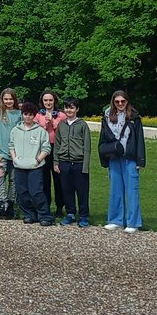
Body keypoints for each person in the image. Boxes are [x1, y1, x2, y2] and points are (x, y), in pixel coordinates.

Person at [99, 90, 144, 233]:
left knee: (132, 191)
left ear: (127, 102)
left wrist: (140, 160)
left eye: (122, 101)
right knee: (115, 190)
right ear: (113, 102)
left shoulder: (134, 117)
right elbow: (103, 139)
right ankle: (115, 220)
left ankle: (133, 222)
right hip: (114, 157)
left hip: (130, 157)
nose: (120, 104)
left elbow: (139, 140)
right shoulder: (106, 117)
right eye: (117, 101)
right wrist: (104, 159)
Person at [11, 101, 53, 226]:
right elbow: (11, 145)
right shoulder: (15, 130)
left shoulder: (40, 131)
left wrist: (38, 159)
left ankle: (44, 215)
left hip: (35, 166)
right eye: (25, 114)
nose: (27, 117)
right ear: (22, 115)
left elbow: (46, 148)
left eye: (30, 115)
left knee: (36, 192)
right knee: (22, 192)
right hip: (19, 166)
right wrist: (15, 159)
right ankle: (29, 214)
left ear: (34, 116)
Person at [53, 97, 91, 227]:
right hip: (64, 162)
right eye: (67, 107)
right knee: (67, 190)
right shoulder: (61, 125)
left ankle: (84, 216)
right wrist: (56, 162)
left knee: (82, 191)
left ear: (77, 109)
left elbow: (87, 147)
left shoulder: (82, 125)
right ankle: (70, 213)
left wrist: (85, 166)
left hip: (79, 162)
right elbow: (57, 145)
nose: (69, 110)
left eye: (72, 107)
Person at [0, 89, 22, 219]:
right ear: (2, 100)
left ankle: (11, 203)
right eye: (6, 99)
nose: (8, 101)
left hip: (16, 152)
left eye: (11, 99)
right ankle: (2, 203)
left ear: (14, 99)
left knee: (14, 179)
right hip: (0, 151)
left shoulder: (19, 114)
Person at [37, 91, 67, 217]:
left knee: (58, 179)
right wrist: (45, 125)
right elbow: (35, 130)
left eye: (50, 100)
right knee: (44, 179)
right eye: (46, 100)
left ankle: (60, 206)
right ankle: (46, 206)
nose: (48, 103)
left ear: (54, 101)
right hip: (44, 148)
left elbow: (64, 132)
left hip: (57, 148)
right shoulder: (38, 115)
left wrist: (53, 124)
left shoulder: (61, 115)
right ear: (42, 102)